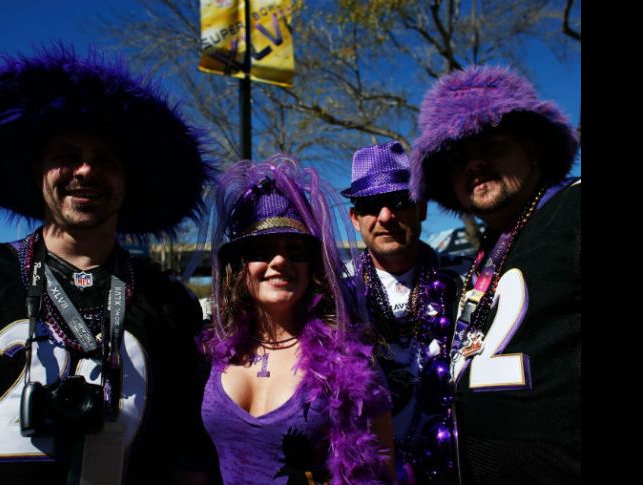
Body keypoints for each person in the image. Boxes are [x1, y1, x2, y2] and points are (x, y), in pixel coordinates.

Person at [0, 46, 217, 484]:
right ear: (37, 173)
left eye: (105, 159)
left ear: (129, 180)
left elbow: (186, 452)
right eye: (65, 155)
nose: (85, 170)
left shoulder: (168, 303)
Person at [409, 65, 580, 484]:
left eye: (493, 146)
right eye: (458, 159)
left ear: (534, 149)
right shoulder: (487, 253)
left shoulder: (574, 208)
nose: (475, 164)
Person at [200, 155, 396, 484]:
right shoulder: (210, 354)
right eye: (262, 250)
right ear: (240, 267)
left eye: (296, 251)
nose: (279, 261)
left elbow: (381, 473)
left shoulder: (350, 362)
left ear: (312, 267)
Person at [341, 142, 459, 484]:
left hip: (448, 465)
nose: (386, 216)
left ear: (421, 207)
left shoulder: (465, 282)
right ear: (354, 218)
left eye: (399, 201)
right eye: (370, 205)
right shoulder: (335, 293)